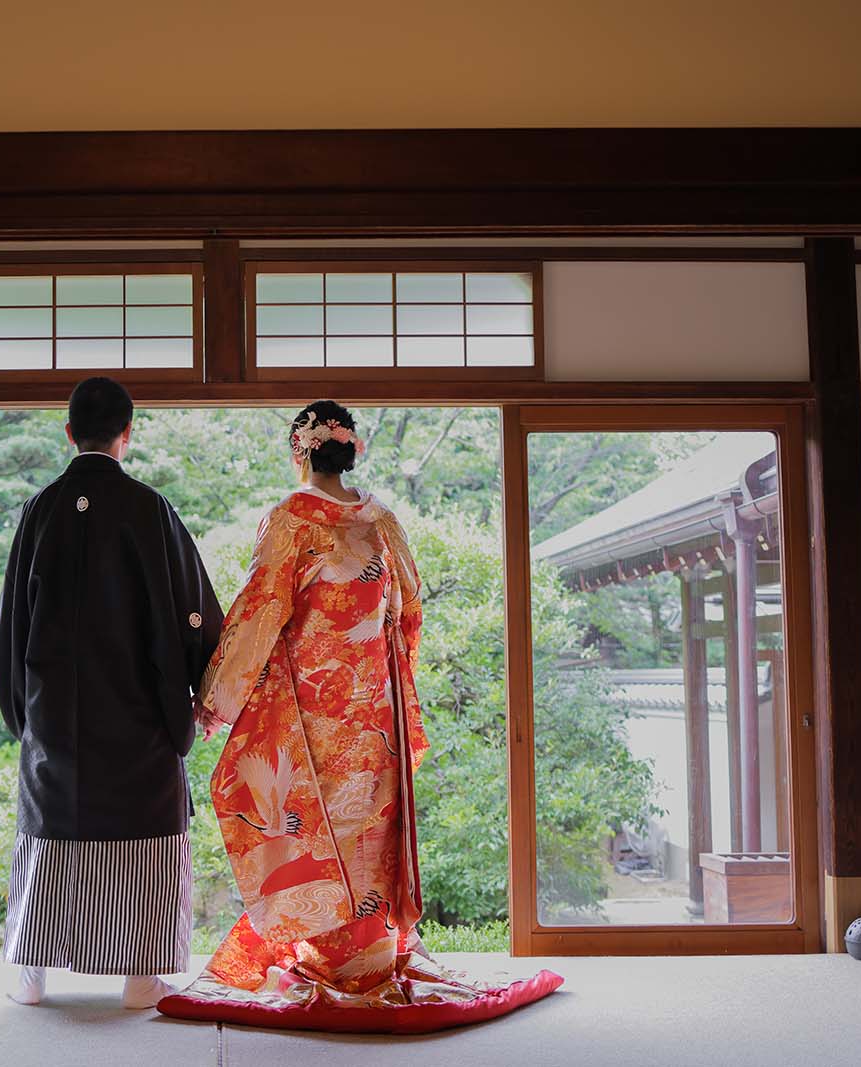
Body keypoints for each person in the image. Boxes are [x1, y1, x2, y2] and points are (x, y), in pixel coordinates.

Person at [158, 401, 562, 1033]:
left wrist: (216, 699)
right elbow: (409, 613)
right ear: (353, 452)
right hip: (375, 710)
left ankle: (334, 961)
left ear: (300, 453)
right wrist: (389, 680)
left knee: (323, 828)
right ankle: (373, 957)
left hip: (316, 711)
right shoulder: (382, 520)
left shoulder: (293, 519)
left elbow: (262, 612)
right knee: (367, 829)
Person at [0, 377, 223, 1009]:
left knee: (49, 834)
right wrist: (204, 694)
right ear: (129, 433)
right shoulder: (150, 509)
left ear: (69, 433)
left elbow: (11, 623)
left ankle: (31, 976)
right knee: (144, 833)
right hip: (138, 717)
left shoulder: (40, 509)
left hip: (55, 720)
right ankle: (141, 979)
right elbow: (194, 614)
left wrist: (25, 718)